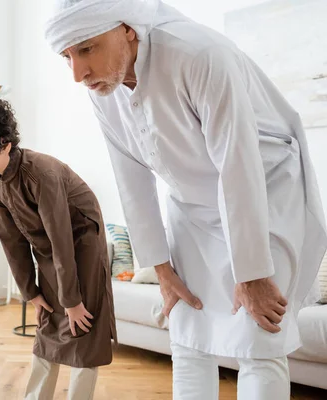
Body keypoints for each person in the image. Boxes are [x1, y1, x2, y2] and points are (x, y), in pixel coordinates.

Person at [43, 1, 327, 399]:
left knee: (259, 338)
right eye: (66, 56)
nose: (78, 73)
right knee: (188, 337)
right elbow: (131, 176)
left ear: (127, 29)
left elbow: (237, 163)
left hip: (265, 192)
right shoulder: (102, 88)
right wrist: (160, 267)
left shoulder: (200, 54)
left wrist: (252, 272)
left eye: (87, 49)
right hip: (189, 206)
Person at [0, 95, 116, 400]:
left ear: (5, 144)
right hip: (49, 248)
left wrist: (73, 301)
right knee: (48, 326)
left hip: (81, 244)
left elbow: (62, 239)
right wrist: (32, 292)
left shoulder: (42, 174)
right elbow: (11, 240)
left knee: (83, 329)